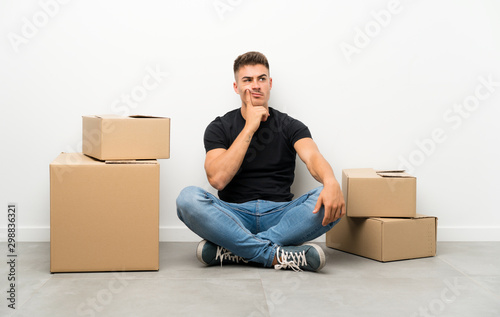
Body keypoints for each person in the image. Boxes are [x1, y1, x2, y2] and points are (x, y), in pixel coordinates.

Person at [176, 51, 345, 272]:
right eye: (247, 80)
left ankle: (235, 251)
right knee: (188, 199)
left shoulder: (291, 125)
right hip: (234, 215)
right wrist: (250, 126)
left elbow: (312, 157)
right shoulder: (219, 127)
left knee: (331, 198)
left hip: (281, 215)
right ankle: (274, 254)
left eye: (261, 78)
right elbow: (217, 179)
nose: (256, 85)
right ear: (236, 87)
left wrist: (331, 181)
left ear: (270, 83)